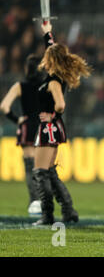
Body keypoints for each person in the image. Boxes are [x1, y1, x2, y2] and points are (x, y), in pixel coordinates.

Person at [32, 21, 91, 226]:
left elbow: (61, 104)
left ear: (50, 59)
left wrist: (51, 115)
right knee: (49, 172)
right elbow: (52, 48)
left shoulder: (54, 80)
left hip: (49, 127)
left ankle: (48, 215)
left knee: (40, 172)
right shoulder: (55, 76)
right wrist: (48, 34)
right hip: (53, 128)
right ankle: (68, 211)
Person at [0, 54, 44, 216]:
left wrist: (17, 120)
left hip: (27, 127)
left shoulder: (20, 86)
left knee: (29, 165)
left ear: (27, 69)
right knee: (42, 167)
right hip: (42, 126)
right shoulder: (46, 86)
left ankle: (34, 201)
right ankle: (44, 200)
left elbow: (5, 106)